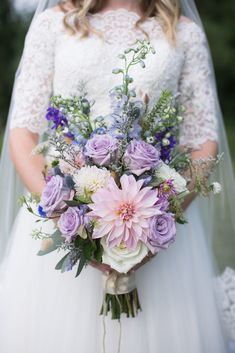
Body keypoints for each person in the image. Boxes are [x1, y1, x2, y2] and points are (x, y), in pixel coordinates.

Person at [0, 0, 234, 352]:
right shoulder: (54, 24)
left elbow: (203, 141)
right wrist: (71, 219)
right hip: (62, 224)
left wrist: (156, 218)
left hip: (159, 230)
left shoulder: (185, 33)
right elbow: (22, 133)